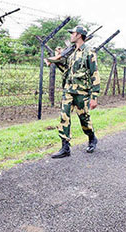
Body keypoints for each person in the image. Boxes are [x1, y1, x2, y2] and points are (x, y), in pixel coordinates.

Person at [45, 26, 100, 158]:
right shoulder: (72, 53)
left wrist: (94, 97)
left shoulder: (89, 52)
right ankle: (65, 147)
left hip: (82, 92)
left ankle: (92, 138)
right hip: (68, 90)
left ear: (79, 35)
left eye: (73, 33)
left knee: (84, 119)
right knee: (64, 117)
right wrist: (55, 61)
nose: (71, 35)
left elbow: (94, 74)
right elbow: (67, 70)